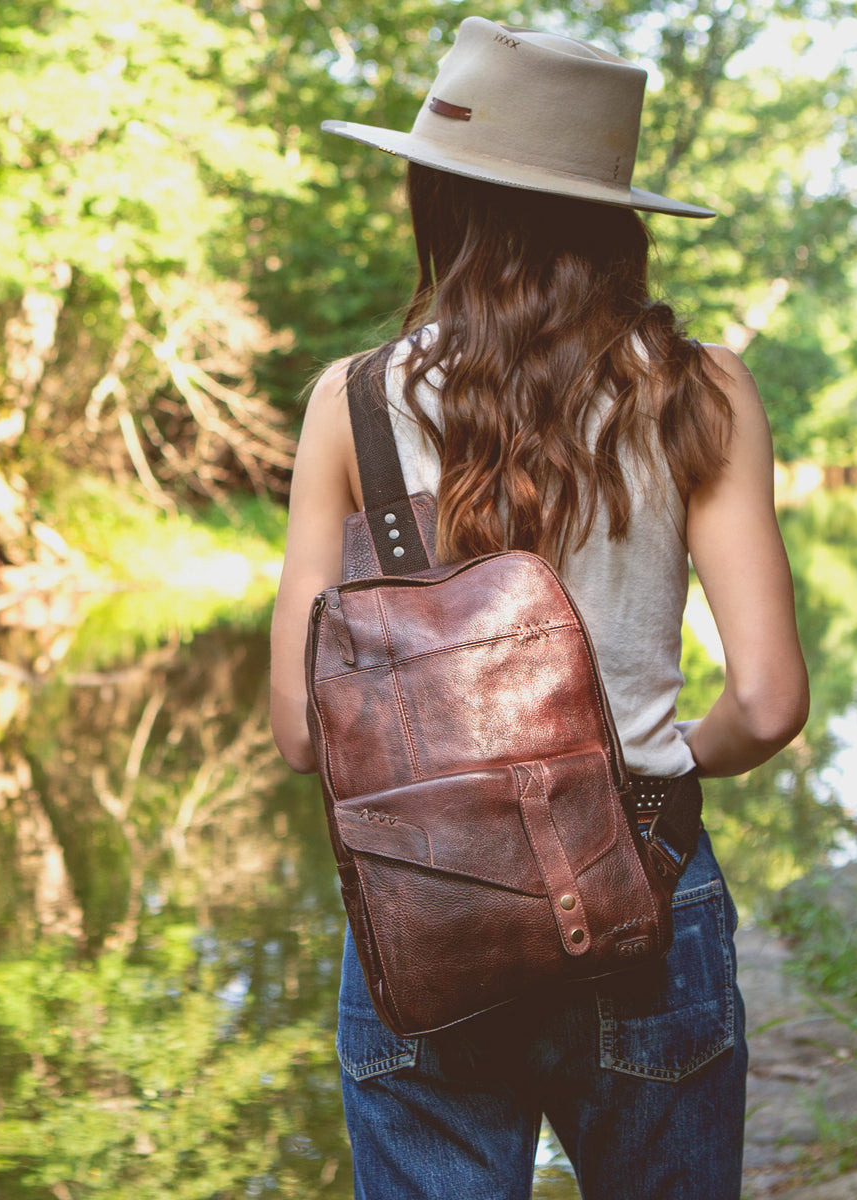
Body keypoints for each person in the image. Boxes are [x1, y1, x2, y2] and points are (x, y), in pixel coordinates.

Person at [269, 16, 809, 1200]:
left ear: (438, 199)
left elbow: (307, 732)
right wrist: (644, 791)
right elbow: (767, 702)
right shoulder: (701, 390)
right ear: (611, 213)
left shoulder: (349, 405)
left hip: (426, 910)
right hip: (650, 888)